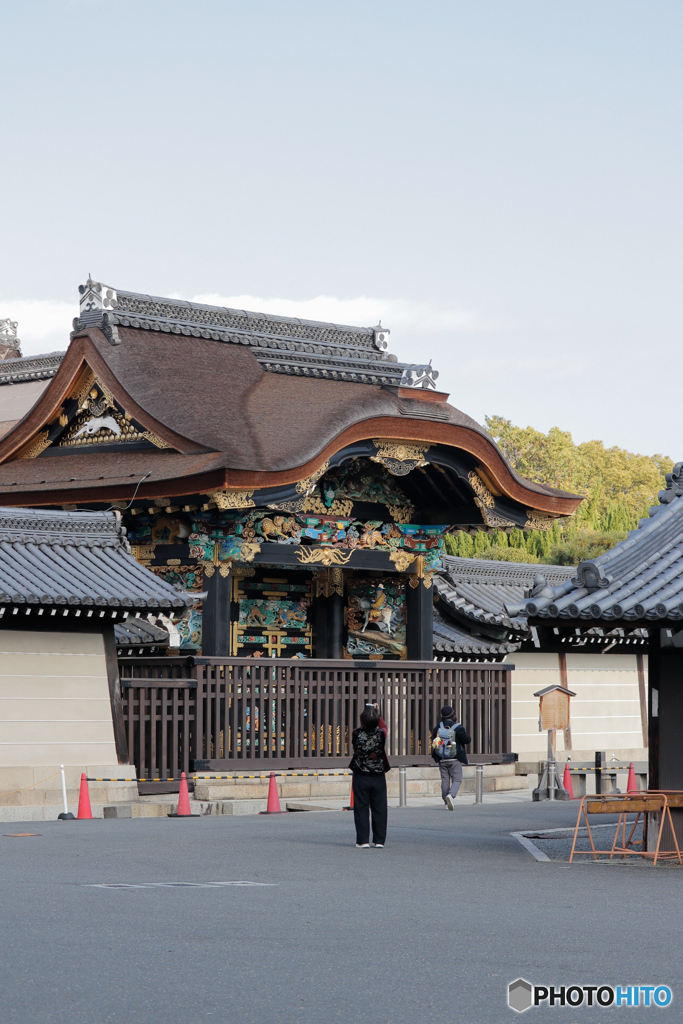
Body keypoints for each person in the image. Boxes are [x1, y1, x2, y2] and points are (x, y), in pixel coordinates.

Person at [349, 702, 390, 848]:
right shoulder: (381, 734)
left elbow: (361, 727)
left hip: (360, 773)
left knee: (361, 807)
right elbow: (384, 727)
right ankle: (379, 840)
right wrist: (376, 713)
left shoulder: (356, 733)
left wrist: (369, 714)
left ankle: (363, 840)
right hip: (378, 774)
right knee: (380, 807)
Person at [431, 704, 471, 810]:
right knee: (457, 779)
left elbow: (433, 740)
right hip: (455, 758)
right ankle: (451, 795)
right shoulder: (458, 728)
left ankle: (445, 801)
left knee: (445, 779)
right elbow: (467, 740)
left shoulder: (438, 728)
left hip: (442, 757)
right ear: (453, 714)